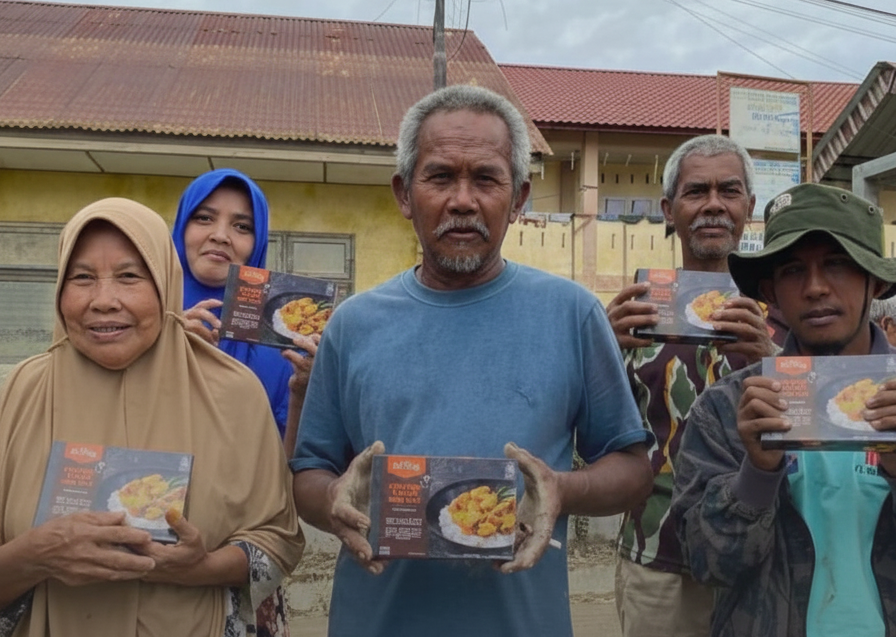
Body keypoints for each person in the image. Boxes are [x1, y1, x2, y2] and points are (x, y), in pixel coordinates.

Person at [289, 84, 654, 637]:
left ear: (520, 198)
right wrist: (334, 497)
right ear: (405, 194)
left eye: (485, 178)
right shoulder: (353, 324)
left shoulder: (571, 314)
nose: (463, 199)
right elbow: (309, 474)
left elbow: (632, 470)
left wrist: (562, 487)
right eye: (440, 177)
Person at [0, 197, 304, 637]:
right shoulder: (20, 393)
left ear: (164, 281)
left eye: (128, 277)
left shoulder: (235, 393)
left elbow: (279, 540)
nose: (104, 301)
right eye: (82, 277)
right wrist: (38, 554)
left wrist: (201, 567)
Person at [672, 182, 896, 636]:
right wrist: (756, 472)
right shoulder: (728, 409)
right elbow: (707, 565)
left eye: (837, 264)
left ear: (875, 279)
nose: (814, 288)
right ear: (771, 292)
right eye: (793, 270)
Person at [606, 134, 781, 637]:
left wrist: (771, 362)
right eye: (695, 191)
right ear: (668, 209)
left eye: (729, 191)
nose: (713, 205)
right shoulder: (636, 313)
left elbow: (819, 439)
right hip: (660, 558)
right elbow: (587, 431)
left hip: (768, 558)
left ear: (749, 205)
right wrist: (602, 349)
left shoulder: (785, 313)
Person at [172, 168, 317, 446]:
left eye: (242, 227)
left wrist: (307, 391)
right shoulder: (139, 319)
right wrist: (161, 348)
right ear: (181, 227)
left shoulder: (285, 348)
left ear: (258, 243)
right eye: (204, 218)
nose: (220, 235)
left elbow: (289, 466)